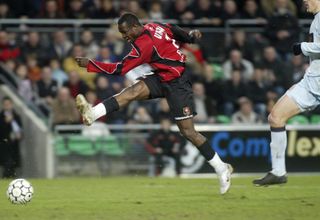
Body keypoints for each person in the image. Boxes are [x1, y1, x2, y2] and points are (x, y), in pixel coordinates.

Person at [75, 12, 232, 194]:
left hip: (177, 83)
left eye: (125, 32)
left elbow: (120, 69)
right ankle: (92, 113)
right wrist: (189, 36)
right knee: (132, 91)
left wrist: (91, 64)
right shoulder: (154, 26)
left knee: (188, 132)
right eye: (121, 33)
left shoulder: (144, 45)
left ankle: (222, 168)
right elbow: (172, 29)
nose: (124, 37)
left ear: (135, 26)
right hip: (160, 77)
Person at [253, 0, 320, 186]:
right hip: (312, 82)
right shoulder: (316, 19)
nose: (304, 4)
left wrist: (302, 47)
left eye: (306, 0)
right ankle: (278, 172)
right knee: (275, 117)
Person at [0, 97, 22, 178]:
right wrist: (6, 122)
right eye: (5, 104)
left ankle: (12, 181)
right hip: (4, 146)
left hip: (14, 145)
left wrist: (20, 135)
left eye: (8, 104)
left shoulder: (16, 116)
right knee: (7, 165)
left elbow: (20, 129)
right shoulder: (1, 117)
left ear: (12, 105)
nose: (7, 106)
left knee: (13, 166)